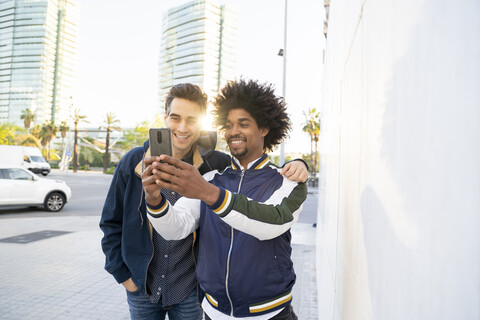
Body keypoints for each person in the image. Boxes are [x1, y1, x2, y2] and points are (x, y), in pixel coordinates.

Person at [100, 83, 308, 320]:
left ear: (264, 128)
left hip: (243, 305)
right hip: (166, 294)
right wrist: (153, 199)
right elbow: (171, 225)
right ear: (165, 117)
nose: (182, 127)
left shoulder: (215, 169)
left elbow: (271, 221)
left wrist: (301, 162)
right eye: (228, 125)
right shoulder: (209, 176)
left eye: (244, 123)